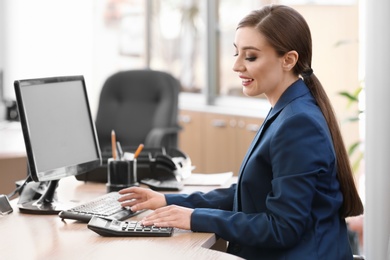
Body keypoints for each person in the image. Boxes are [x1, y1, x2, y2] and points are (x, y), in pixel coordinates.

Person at [118, 4, 364, 260]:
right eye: (237, 53)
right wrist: (169, 202)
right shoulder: (288, 109)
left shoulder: (298, 122)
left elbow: (283, 228)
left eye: (250, 57)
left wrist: (194, 218)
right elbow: (251, 194)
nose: (236, 66)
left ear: (288, 60)